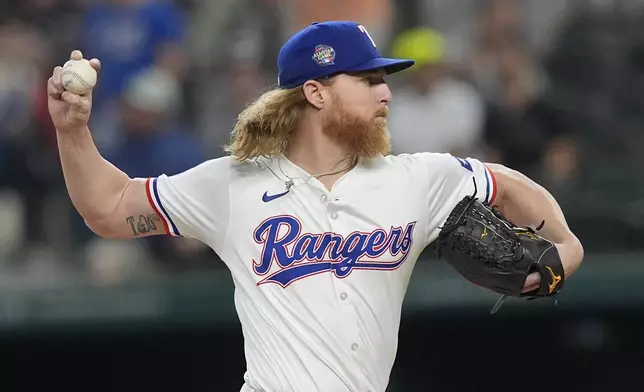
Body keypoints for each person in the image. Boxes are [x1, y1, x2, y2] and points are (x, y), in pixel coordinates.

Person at [47, 20, 584, 392]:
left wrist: (563, 246)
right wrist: (72, 131)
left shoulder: (417, 179)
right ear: (317, 92)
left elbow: (504, 182)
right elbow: (110, 206)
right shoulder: (233, 186)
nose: (386, 94)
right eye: (368, 79)